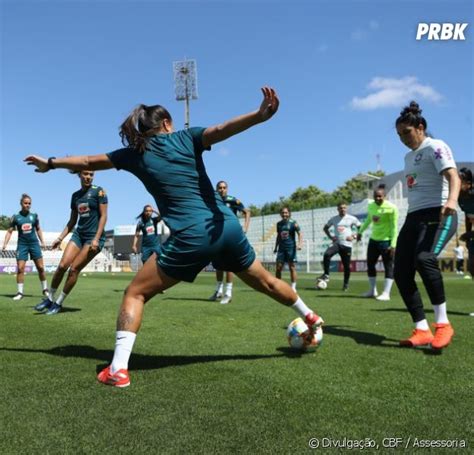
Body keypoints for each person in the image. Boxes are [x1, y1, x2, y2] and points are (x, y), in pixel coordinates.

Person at [25, 87, 324, 388]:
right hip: (226, 227)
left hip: (192, 236)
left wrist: (50, 163)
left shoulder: (134, 154)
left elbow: (88, 160)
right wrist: (259, 116)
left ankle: (117, 369)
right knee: (268, 282)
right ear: (167, 123)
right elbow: (221, 129)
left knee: (135, 294)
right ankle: (310, 316)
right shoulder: (186, 137)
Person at [393, 101, 460, 349]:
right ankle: (421, 329)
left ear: (420, 127)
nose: (403, 138)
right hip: (414, 217)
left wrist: (451, 201)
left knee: (424, 259)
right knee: (400, 271)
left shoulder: (436, 146)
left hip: (440, 213)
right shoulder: (408, 157)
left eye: (407, 132)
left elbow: (453, 175)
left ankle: (443, 325)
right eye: (399, 134)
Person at [33, 170, 108, 315]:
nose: (88, 177)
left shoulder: (99, 192)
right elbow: (73, 221)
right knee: (62, 266)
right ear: (79, 175)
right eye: (86, 174)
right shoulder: (75, 196)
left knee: (74, 270)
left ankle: (58, 302)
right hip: (79, 235)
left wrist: (96, 238)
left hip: (93, 238)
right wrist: (60, 238)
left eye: (91, 174)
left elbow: (104, 216)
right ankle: (49, 299)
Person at [209, 181, 251, 304]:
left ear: (227, 189)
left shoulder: (232, 200)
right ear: (216, 189)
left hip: (230, 235)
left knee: (228, 265)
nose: (222, 190)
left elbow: (247, 211)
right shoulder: (213, 200)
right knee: (217, 265)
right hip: (217, 236)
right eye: (219, 188)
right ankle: (218, 291)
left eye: (224, 187)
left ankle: (228, 293)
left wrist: (245, 227)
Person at [2, 194, 49, 300]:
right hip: (22, 245)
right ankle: (20, 293)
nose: (27, 205)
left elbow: (38, 229)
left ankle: (45, 289)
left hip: (34, 244)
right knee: (20, 268)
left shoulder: (34, 216)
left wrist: (43, 242)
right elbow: (9, 231)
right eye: (25, 203)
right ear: (21, 203)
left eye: (29, 203)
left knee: (41, 268)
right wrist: (4, 244)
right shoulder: (15, 217)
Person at [357, 187, 398, 301]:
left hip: (386, 241)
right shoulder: (371, 206)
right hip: (373, 240)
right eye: (375, 196)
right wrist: (360, 232)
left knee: (388, 266)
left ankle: (386, 293)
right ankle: (372, 290)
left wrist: (393, 244)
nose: (377, 198)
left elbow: (394, 228)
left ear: (385, 196)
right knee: (370, 265)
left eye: (380, 196)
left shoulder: (392, 208)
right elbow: (368, 220)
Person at [318, 202, 361, 291]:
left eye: (344, 208)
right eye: (341, 208)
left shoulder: (351, 218)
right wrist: (331, 237)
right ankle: (326, 275)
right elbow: (325, 228)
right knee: (327, 254)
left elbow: (361, 228)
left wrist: (354, 236)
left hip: (347, 245)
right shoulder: (334, 219)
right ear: (338, 209)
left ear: (346, 208)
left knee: (346, 267)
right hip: (337, 243)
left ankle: (345, 284)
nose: (343, 209)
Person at [274, 207, 302, 291]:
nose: (284, 214)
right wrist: (276, 247)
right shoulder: (279, 224)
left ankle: (293, 287)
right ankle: (278, 286)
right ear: (280, 214)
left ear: (289, 213)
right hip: (281, 249)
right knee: (278, 268)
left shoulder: (293, 223)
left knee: (292, 267)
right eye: (283, 213)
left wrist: (300, 244)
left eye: (286, 213)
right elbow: (278, 236)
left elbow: (300, 233)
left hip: (291, 248)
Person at [458, 167, 474, 283]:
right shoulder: (460, 197)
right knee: (471, 266)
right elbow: (467, 216)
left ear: (468, 184)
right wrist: (468, 235)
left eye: (459, 181)